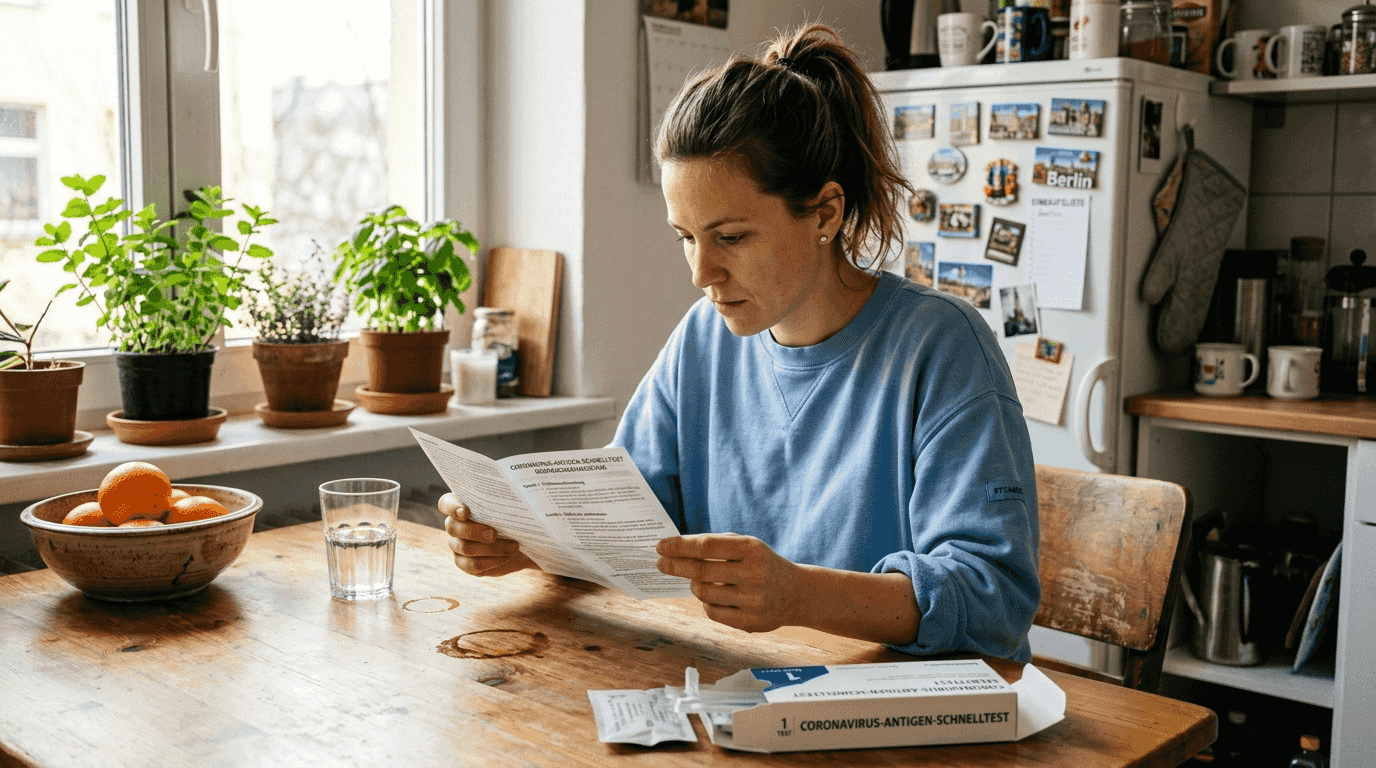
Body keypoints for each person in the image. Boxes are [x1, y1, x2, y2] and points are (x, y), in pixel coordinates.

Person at [441, 23, 1040, 661]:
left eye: (731, 237)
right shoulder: (704, 337)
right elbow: (621, 524)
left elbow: (994, 596)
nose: (703, 274)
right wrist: (524, 538)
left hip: (909, 726)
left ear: (826, 214)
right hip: (745, 696)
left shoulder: (940, 347)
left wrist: (797, 594)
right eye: (685, 237)